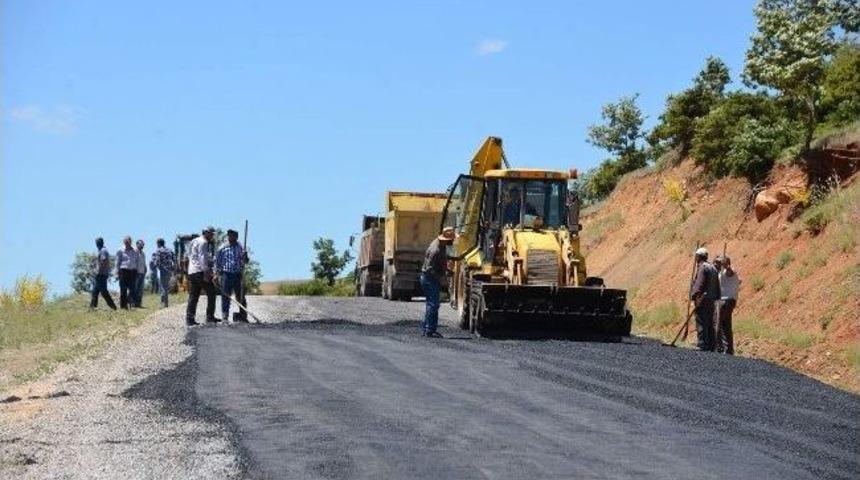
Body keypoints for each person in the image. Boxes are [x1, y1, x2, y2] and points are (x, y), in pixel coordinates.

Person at [419, 226, 456, 338]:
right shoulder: (436, 250)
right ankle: (429, 330)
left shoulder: (441, 245)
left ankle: (427, 328)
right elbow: (430, 269)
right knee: (433, 304)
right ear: (446, 240)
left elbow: (441, 260)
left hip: (430, 277)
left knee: (431, 304)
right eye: (451, 240)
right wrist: (441, 279)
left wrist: (447, 269)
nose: (453, 241)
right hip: (429, 278)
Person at [185, 227, 219, 326]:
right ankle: (210, 317)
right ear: (206, 233)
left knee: (193, 296)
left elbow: (189, 255)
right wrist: (207, 272)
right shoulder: (204, 242)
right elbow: (202, 258)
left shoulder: (194, 241)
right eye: (211, 234)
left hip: (192, 271)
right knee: (212, 292)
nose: (212, 236)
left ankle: (189, 319)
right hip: (200, 271)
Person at [690, 247, 721, 351]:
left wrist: (696, 296)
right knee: (709, 321)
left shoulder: (703, 267)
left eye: (696, 256)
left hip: (702, 299)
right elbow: (717, 285)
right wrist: (716, 297)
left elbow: (700, 283)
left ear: (699, 256)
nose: (696, 258)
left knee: (701, 320)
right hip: (711, 299)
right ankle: (711, 345)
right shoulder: (712, 267)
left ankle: (702, 344)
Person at [215, 229, 248, 322]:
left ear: (236, 237)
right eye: (229, 236)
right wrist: (216, 274)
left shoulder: (240, 247)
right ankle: (225, 317)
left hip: (237, 274)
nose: (231, 237)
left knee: (240, 295)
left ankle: (242, 315)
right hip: (226, 275)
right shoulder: (223, 247)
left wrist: (245, 256)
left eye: (233, 236)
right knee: (225, 296)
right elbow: (217, 262)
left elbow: (245, 261)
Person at [714, 255, 740, 355]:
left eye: (720, 262)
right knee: (725, 325)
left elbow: (730, 272)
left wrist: (726, 265)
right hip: (726, 301)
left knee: (718, 324)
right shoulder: (721, 273)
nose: (719, 264)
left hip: (726, 301)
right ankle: (728, 348)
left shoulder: (730, 271)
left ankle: (720, 347)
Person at [90, 237, 117, 310]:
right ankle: (92, 307)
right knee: (95, 291)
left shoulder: (103, 251)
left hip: (101, 274)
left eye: (97, 242)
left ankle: (113, 307)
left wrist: (98, 271)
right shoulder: (101, 250)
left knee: (104, 292)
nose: (97, 244)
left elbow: (103, 260)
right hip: (100, 274)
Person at [116, 236, 139, 309]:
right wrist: (117, 271)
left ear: (131, 242)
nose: (127, 244)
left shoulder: (135, 250)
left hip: (133, 271)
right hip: (123, 271)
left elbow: (137, 261)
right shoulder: (120, 250)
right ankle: (123, 306)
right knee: (123, 289)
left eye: (128, 242)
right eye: (126, 242)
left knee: (132, 289)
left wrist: (137, 270)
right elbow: (117, 262)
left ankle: (131, 304)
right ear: (124, 242)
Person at [153, 238, 176, 308]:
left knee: (163, 287)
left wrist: (157, 267)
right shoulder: (169, 250)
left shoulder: (159, 250)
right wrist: (173, 267)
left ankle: (164, 304)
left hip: (163, 270)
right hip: (170, 270)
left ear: (159, 243)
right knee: (166, 287)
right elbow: (174, 259)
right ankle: (164, 302)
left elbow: (157, 261)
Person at [134, 239, 147, 307]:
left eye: (143, 244)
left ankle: (138, 304)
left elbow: (144, 262)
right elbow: (134, 262)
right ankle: (133, 303)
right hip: (136, 273)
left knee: (140, 289)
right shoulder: (135, 251)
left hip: (142, 273)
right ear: (137, 244)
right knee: (135, 289)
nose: (142, 245)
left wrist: (145, 268)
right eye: (141, 244)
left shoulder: (143, 253)